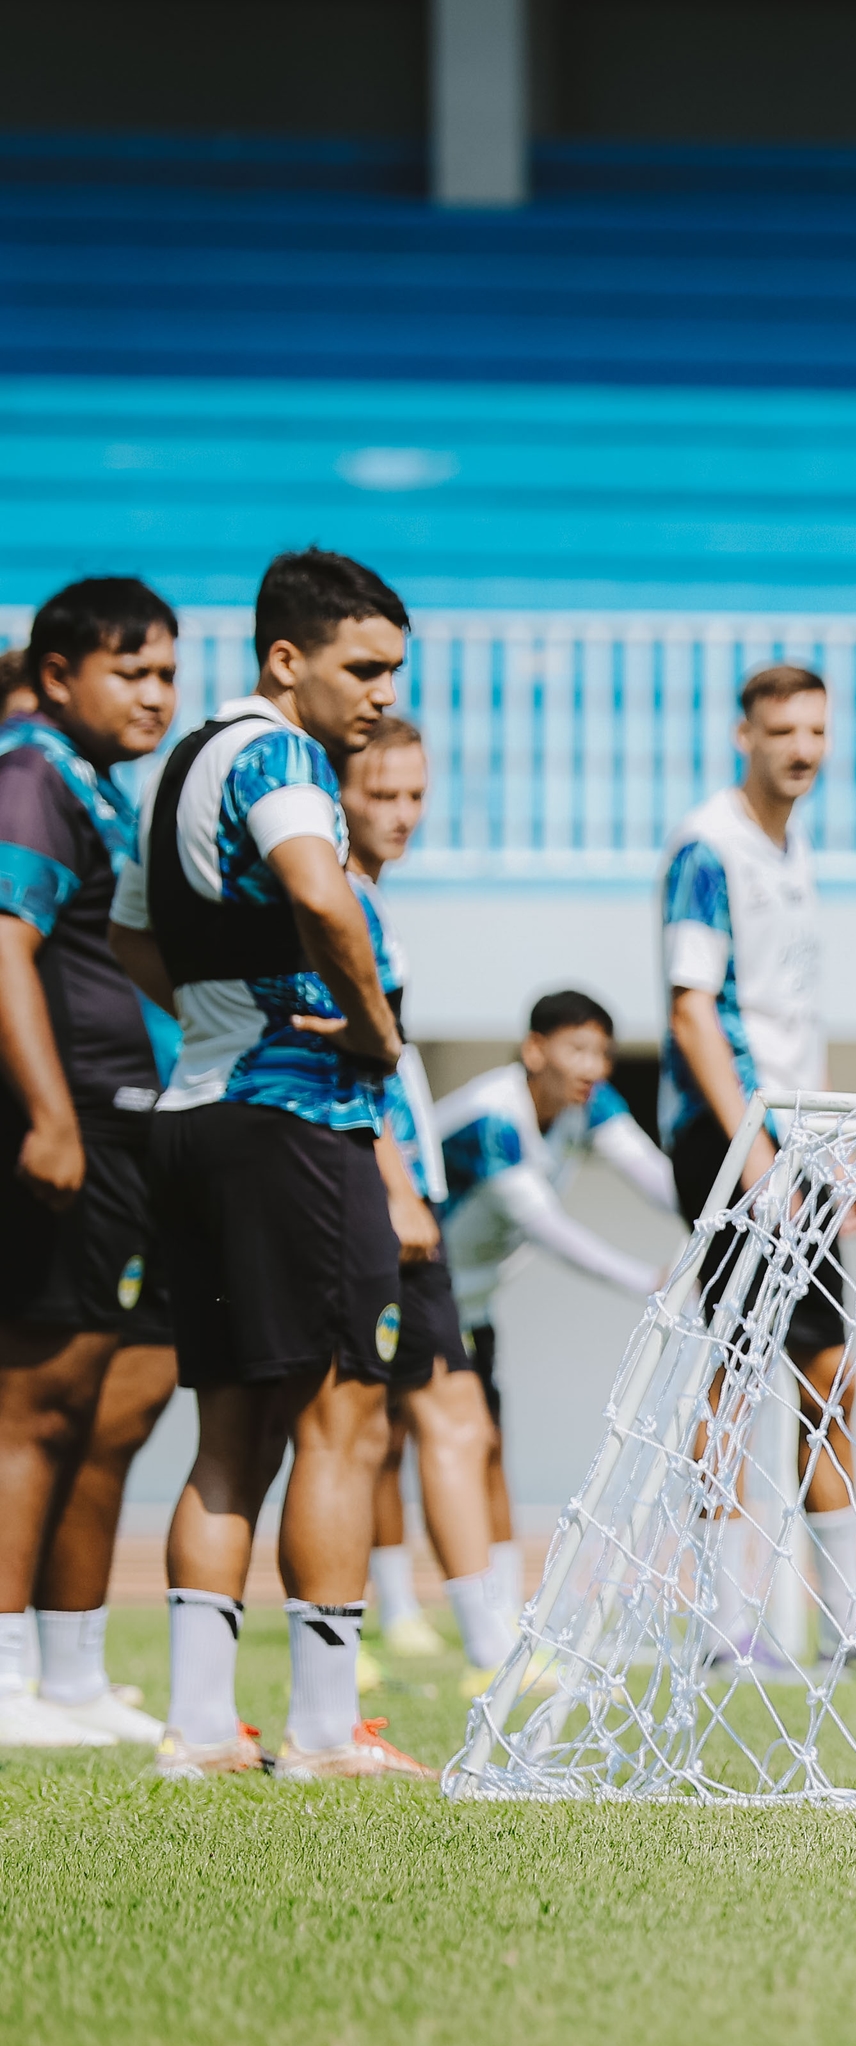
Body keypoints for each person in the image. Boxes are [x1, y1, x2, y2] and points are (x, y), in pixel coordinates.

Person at [109, 548, 433, 1781]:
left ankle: (199, 1728)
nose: (383, 693)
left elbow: (132, 936)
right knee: (345, 1416)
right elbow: (323, 894)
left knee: (230, 1431)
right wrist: (375, 1033)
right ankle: (323, 1731)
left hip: (197, 1109)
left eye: (394, 670)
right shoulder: (281, 756)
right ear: (287, 659)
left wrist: (217, 1015)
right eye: (365, 666)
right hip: (291, 1120)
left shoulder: (179, 765)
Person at [0, 581, 184, 1750]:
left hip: (141, 1133)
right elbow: (4, 949)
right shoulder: (30, 771)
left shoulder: (101, 787)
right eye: (131, 672)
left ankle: (71, 1672)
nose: (155, 695)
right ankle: (4, 1676)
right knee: (38, 1400)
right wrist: (50, 1115)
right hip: (78, 1131)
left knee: (120, 1403)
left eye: (166, 673)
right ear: (58, 675)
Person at [660, 662, 856, 1671]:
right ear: (745, 736)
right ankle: (723, 1622)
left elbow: (794, 1021)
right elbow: (693, 1011)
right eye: (783, 731)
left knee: (831, 1376)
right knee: (737, 1373)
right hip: (730, 1137)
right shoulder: (710, 846)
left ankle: (848, 1623)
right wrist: (760, 1161)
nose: (802, 749)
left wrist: (824, 1152)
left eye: (816, 731)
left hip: (793, 1140)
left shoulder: (794, 849)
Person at [333, 714, 510, 1694]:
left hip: (399, 1189)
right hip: (380, 1194)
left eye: (415, 795)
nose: (402, 813)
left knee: (414, 1424)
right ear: (339, 794)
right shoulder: (336, 900)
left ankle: (447, 1644)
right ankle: (472, 1650)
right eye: (381, 794)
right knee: (405, 1422)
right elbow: (348, 1070)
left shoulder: (369, 899)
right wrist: (400, 1188)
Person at [430, 991, 673, 1644]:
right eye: (578, 1048)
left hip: (470, 1300)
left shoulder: (590, 1102)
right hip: (406, 1291)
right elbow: (545, 1227)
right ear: (534, 1050)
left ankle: (508, 1623)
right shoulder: (492, 1118)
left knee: (487, 1447)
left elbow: (655, 1175)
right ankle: (434, 1623)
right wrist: (649, 1281)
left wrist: (745, 1199)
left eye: (603, 1052)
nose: (594, 1066)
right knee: (415, 1442)